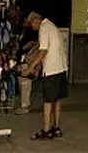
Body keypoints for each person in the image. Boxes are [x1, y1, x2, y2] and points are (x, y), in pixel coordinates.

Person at [25, 11, 68, 140]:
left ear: (35, 20)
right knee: (57, 99)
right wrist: (38, 67)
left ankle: (46, 129)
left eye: (31, 25)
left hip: (51, 70)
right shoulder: (53, 26)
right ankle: (56, 127)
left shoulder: (44, 28)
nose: (32, 28)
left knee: (48, 101)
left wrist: (31, 68)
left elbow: (43, 50)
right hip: (61, 67)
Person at [14, 15, 40, 115]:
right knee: (23, 83)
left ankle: (25, 105)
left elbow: (33, 44)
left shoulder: (31, 32)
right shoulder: (27, 31)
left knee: (25, 83)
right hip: (25, 59)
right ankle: (24, 104)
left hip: (27, 59)